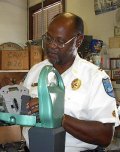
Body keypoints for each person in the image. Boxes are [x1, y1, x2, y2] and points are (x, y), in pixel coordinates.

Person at [22, 12, 119, 152]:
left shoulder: (95, 78)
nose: (51, 46)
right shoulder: (36, 71)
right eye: (48, 39)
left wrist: (58, 117)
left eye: (60, 41)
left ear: (78, 40)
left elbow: (105, 136)